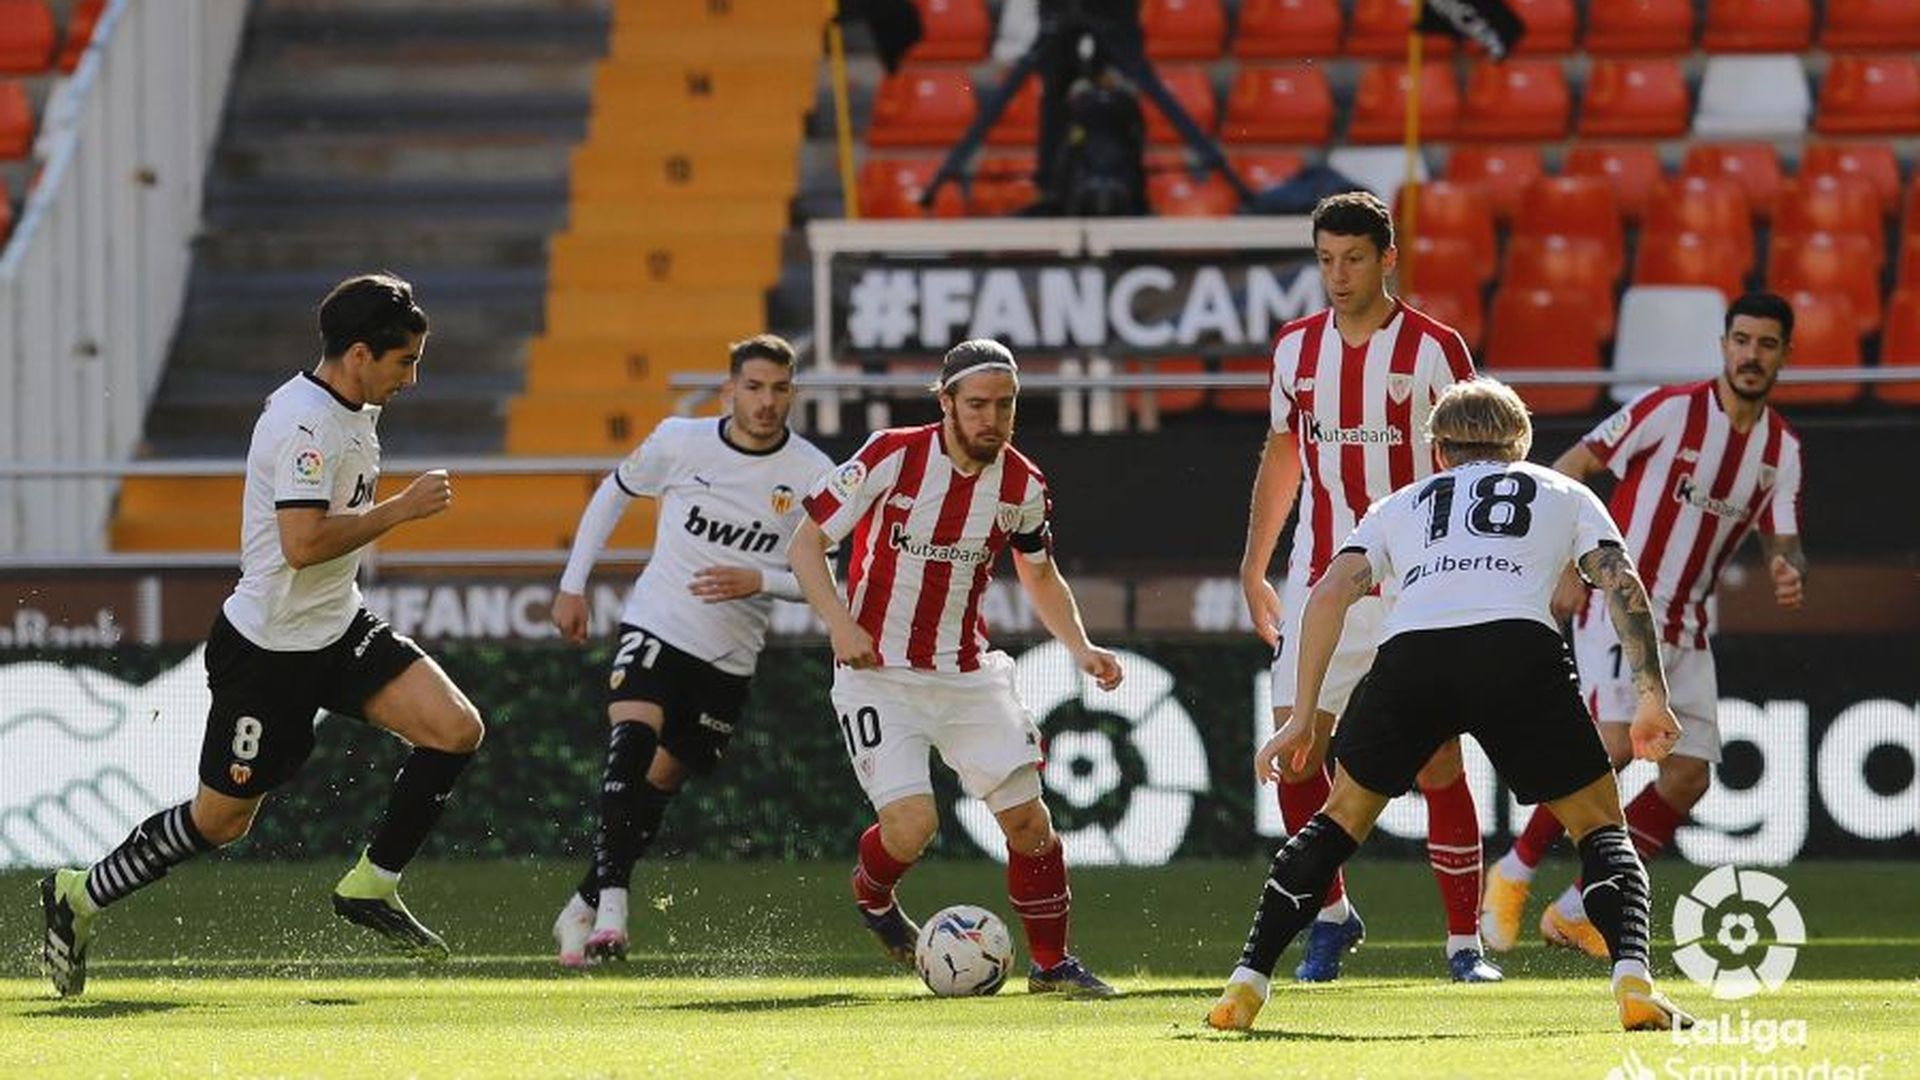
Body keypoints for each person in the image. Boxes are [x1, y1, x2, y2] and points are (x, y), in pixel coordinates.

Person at [40, 273, 485, 997]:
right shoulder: (303, 424)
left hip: (338, 628)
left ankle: (372, 885)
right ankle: (79, 895)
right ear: (362, 354)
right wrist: (401, 510)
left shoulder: (351, 404)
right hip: (271, 652)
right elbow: (302, 543)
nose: (414, 377)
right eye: (406, 360)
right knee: (221, 822)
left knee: (455, 728)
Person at [1207, 379, 1696, 1034]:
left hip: (1414, 653)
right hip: (1516, 650)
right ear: (1519, 446)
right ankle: (1633, 980)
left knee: (1337, 821)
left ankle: (1246, 984)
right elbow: (1620, 582)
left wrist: (1300, 716)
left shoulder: (1400, 503)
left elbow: (1326, 595)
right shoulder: (1564, 492)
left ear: (1438, 451)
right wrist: (1650, 695)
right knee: (1601, 829)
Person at [787, 339, 1125, 997]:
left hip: (968, 673)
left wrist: (1081, 647)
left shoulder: (1022, 484)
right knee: (913, 828)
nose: (990, 419)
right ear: (944, 402)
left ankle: (1052, 967)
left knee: (1031, 824)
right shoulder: (890, 456)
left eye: (1004, 405)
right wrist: (840, 622)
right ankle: (873, 894)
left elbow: (1039, 570)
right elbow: (806, 544)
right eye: (976, 405)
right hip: (878, 673)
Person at [1481, 293, 1808, 957]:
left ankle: (1576, 910)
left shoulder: (1782, 449)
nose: (1751, 355)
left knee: (1688, 776)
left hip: (1688, 624)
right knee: (1614, 744)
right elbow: (1573, 465)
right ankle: (1512, 872)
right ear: (1724, 346)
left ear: (1783, 355)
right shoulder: (1670, 410)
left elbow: (1784, 537)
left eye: (1766, 344)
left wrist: (1786, 567)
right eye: (1741, 341)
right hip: (1619, 601)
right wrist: (1567, 561)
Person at [1241, 190, 1498, 983]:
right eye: (1325, 260)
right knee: (1295, 750)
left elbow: (1478, 462)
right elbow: (1283, 454)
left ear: (1388, 258)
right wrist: (1254, 564)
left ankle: (1464, 945)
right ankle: (1331, 914)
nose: (1338, 274)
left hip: (1418, 578)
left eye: (1353, 258)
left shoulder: (1433, 348)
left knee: (1437, 760)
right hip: (1324, 574)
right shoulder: (1293, 349)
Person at [548, 334, 833, 967]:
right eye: (753, 387)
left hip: (730, 658)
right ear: (729, 389)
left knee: (659, 784)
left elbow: (829, 583)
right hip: (657, 623)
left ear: (793, 394)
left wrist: (761, 580)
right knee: (633, 739)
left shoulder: (815, 475)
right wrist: (573, 584)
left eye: (779, 389)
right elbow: (614, 492)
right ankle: (615, 909)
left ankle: (580, 905)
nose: (765, 402)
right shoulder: (680, 442)